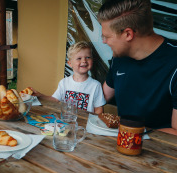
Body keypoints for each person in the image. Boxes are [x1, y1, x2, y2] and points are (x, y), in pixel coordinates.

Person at [97, 0, 177, 135]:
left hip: (161, 151)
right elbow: (102, 95)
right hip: (122, 144)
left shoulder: (174, 64)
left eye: (106, 36)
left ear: (128, 34)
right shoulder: (119, 57)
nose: (104, 41)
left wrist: (132, 134)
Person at [32, 41, 106, 114]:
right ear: (70, 63)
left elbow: (99, 108)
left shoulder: (96, 85)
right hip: (66, 122)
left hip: (85, 124)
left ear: (92, 60)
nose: (84, 61)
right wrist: (40, 95)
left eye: (88, 57)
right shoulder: (64, 82)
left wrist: (94, 122)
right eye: (79, 58)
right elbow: (55, 99)